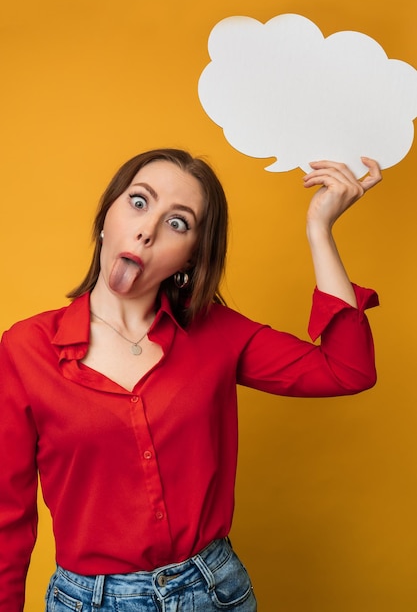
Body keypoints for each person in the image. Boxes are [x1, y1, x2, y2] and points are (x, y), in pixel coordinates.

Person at [0, 148, 381, 611]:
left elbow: (347, 370)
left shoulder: (218, 332)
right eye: (139, 202)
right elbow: (8, 518)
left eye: (177, 222)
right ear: (106, 218)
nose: (147, 229)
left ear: (190, 258)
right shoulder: (25, 349)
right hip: (91, 600)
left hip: (215, 592)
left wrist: (320, 230)